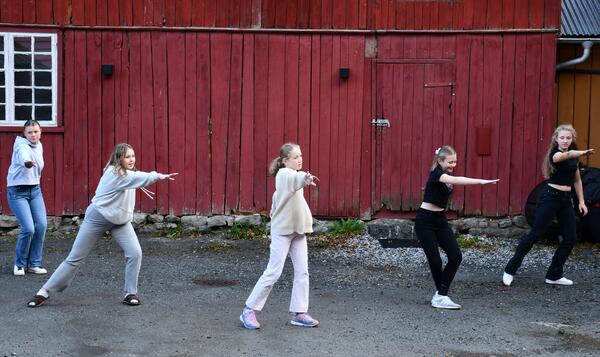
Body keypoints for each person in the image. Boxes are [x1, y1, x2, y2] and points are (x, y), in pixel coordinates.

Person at [27, 143, 177, 307]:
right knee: (75, 257)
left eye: (133, 156)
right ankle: (44, 291)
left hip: (120, 221)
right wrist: (157, 176)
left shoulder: (129, 174)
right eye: (127, 156)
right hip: (98, 218)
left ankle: (130, 293)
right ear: (118, 158)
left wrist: (153, 176)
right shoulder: (114, 174)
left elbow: (135, 177)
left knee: (135, 253)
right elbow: (135, 178)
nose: (131, 159)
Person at [240, 143, 319, 329]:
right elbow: (295, 179)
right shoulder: (284, 175)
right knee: (273, 272)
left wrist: (303, 179)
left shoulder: (291, 177)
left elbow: (286, 193)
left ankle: (299, 312)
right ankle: (248, 310)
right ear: (285, 161)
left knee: (302, 271)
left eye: (301, 155)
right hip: (282, 233)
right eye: (295, 157)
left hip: (298, 232)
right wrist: (304, 178)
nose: (300, 159)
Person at [503, 124, 593, 287]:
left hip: (566, 200)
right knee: (535, 234)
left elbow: (577, 180)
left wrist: (581, 201)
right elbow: (565, 156)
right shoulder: (555, 154)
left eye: (568, 138)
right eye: (562, 137)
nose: (565, 140)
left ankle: (554, 274)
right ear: (556, 139)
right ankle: (510, 269)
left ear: (572, 139)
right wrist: (581, 152)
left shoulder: (573, 158)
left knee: (570, 238)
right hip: (550, 198)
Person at [416, 145, 499, 309]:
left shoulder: (444, 173)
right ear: (440, 161)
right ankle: (441, 296)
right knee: (435, 260)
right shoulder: (438, 174)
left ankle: (440, 295)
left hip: (440, 219)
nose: (453, 165)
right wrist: (481, 181)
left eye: (455, 162)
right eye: (450, 162)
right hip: (425, 221)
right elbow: (455, 180)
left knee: (455, 256)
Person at [7, 119, 48, 276]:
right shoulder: (21, 145)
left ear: (40, 132)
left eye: (36, 131)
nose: (33, 135)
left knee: (42, 225)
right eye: (29, 132)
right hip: (17, 191)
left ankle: (34, 264)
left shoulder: (39, 145)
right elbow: (24, 156)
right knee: (28, 228)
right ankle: (19, 264)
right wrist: (27, 162)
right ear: (24, 134)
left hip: (35, 190)